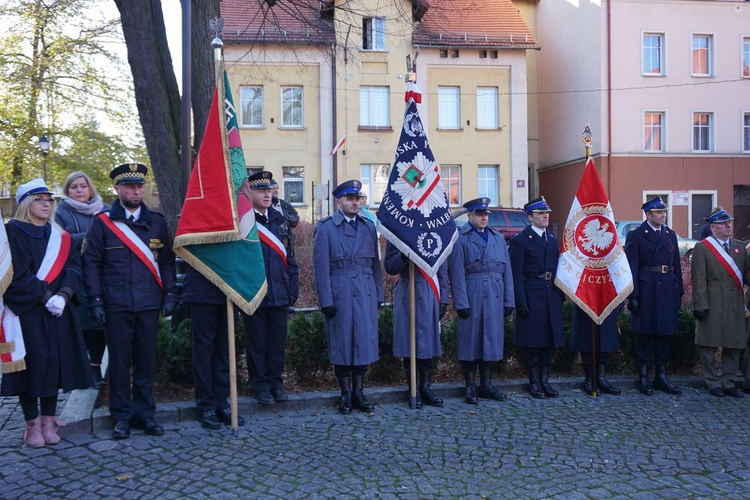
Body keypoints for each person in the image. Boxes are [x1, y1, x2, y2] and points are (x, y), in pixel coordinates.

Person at [82, 163, 177, 439]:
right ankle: (121, 416)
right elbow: (91, 264)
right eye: (129, 186)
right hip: (116, 304)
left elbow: (168, 263)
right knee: (120, 364)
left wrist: (169, 294)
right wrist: (96, 302)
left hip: (148, 304)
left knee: (146, 363)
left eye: (139, 186)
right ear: (117, 189)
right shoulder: (102, 223)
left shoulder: (156, 221)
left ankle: (145, 414)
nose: (136, 191)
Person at [1, 179, 89, 448]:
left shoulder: (58, 234)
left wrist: (64, 295)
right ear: (27, 202)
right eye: (39, 198)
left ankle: (49, 421)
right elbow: (12, 274)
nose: (46, 203)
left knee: (55, 364)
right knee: (31, 368)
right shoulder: (11, 232)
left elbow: (73, 268)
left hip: (58, 311)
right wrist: (45, 296)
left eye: (49, 199)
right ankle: (31, 424)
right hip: (27, 312)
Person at [313, 179, 383, 414]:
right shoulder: (325, 228)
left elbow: (375, 265)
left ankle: (359, 392)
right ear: (339, 201)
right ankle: (344, 393)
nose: (355, 203)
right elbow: (320, 268)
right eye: (350, 199)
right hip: (339, 289)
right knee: (342, 342)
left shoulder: (368, 226)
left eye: (357, 198)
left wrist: (378, 294)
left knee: (362, 340)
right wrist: (326, 300)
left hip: (364, 289)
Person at [449, 197, 514, 404]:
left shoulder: (496, 238)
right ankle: (470, 386)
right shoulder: (461, 238)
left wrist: (508, 300)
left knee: (491, 341)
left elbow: (507, 272)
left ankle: (486, 384)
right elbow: (456, 272)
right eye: (479, 214)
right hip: (473, 292)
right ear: (469, 216)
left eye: (486, 214)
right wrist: (461, 302)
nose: (484, 218)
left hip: (494, 294)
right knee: (471, 340)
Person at [242, 172, 299, 405]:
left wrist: (292, 288)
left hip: (280, 292)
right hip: (255, 293)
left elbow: (291, 258)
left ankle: (276, 382)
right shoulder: (245, 222)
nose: (267, 194)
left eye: (269, 190)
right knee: (256, 342)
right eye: (261, 191)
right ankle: (260, 385)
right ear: (250, 193)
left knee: (277, 343)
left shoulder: (280, 220)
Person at [55, 171, 110, 389]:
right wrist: (90, 235)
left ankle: (99, 365)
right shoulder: (62, 212)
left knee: (103, 323)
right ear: (67, 191)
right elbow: (60, 239)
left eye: (83, 186)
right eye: (74, 187)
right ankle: (91, 369)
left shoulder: (105, 210)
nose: (79, 190)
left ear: (90, 189)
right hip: (77, 274)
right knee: (86, 324)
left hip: (105, 273)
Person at [624, 196, 683, 396]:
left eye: (664, 212)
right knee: (644, 335)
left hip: (667, 288)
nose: (663, 215)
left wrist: (679, 291)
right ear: (648, 215)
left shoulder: (670, 234)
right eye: (658, 212)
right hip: (646, 287)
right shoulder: (637, 235)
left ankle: (661, 375)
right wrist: (633, 295)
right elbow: (632, 266)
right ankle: (643, 375)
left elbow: (676, 266)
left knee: (664, 334)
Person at [691, 207, 750, 398]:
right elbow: (698, 279)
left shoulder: (739, 248)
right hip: (713, 299)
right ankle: (712, 382)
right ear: (713, 227)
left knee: (734, 344)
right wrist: (700, 305)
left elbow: (746, 275)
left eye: (729, 223)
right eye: (723, 223)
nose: (728, 226)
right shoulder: (703, 248)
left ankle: (728, 382)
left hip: (735, 301)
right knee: (709, 344)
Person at [509, 196, 565, 398]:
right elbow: (517, 274)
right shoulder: (521, 240)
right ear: (530, 217)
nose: (545, 216)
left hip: (551, 293)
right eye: (541, 213)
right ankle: (533, 382)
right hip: (532, 293)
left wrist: (560, 295)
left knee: (549, 341)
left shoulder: (551, 239)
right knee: (533, 342)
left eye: (547, 213)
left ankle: (545, 380)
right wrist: (520, 300)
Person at [384, 241, 448, 408]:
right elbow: (390, 267)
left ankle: (425, 387)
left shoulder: (434, 229)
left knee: (428, 342)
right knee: (408, 343)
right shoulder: (398, 231)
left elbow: (442, 266)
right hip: (407, 290)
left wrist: (444, 298)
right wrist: (403, 255)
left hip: (429, 291)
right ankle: (413, 389)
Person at [183, 266, 246, 428]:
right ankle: (206, 404)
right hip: (202, 287)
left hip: (228, 288)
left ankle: (221, 401)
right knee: (204, 351)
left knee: (224, 350)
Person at [571, 304, 623, 396]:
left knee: (604, 337)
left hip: (606, 297)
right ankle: (589, 379)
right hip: (585, 298)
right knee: (587, 337)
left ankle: (601, 378)